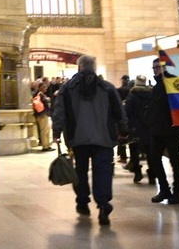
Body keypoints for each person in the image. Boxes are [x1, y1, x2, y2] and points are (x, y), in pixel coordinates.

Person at [52, 55, 129, 226]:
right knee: (103, 171)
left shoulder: (67, 88)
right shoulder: (107, 87)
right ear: (94, 68)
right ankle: (103, 205)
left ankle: (82, 202)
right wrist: (123, 129)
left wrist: (56, 131)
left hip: (78, 139)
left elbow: (59, 112)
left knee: (80, 171)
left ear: (79, 67)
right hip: (104, 139)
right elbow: (119, 111)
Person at [146, 57, 179, 205]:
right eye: (153, 67)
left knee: (175, 161)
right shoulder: (156, 86)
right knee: (155, 159)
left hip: (172, 130)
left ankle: (177, 192)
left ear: (164, 67)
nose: (155, 70)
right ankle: (164, 189)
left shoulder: (172, 82)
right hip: (157, 130)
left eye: (157, 67)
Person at [123, 74, 153, 184]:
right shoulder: (151, 94)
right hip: (149, 127)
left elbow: (127, 112)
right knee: (150, 152)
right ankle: (152, 175)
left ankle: (137, 173)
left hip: (135, 128)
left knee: (134, 151)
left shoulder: (132, 95)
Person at [32, 78, 53, 151]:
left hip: (41, 114)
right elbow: (45, 102)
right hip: (42, 114)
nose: (46, 88)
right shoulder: (40, 94)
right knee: (44, 131)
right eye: (44, 87)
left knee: (46, 130)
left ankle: (47, 145)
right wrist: (48, 100)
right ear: (40, 87)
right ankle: (45, 146)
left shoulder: (38, 94)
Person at [116, 75, 131, 164]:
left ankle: (123, 156)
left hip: (123, 114)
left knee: (122, 137)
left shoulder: (120, 90)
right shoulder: (131, 90)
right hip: (132, 118)